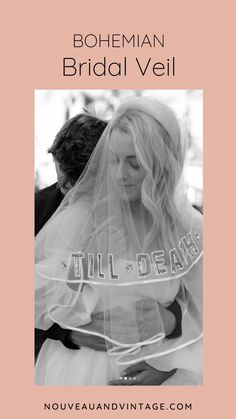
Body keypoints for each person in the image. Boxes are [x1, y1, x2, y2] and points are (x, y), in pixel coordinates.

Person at [35, 97, 202, 385]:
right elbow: (39, 297)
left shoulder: (190, 228)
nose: (119, 175)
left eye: (134, 164)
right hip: (80, 371)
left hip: (162, 372)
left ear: (160, 165)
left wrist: (169, 363)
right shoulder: (77, 219)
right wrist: (70, 331)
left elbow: (209, 309)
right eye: (113, 160)